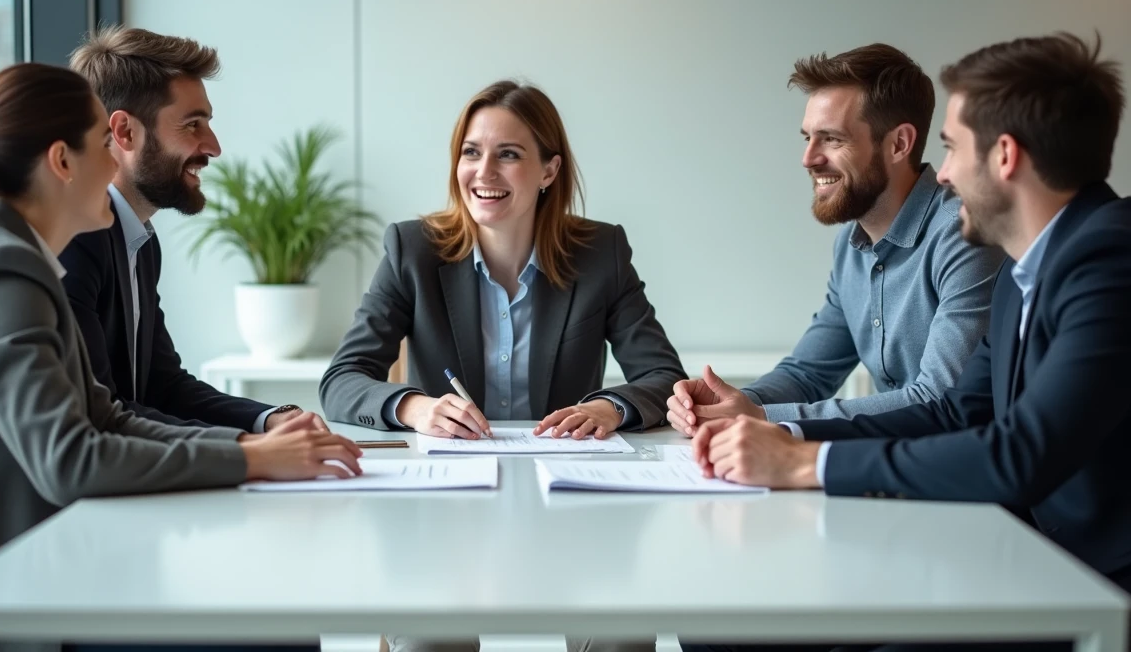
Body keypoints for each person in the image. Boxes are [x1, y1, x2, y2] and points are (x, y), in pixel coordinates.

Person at [688, 32, 1129, 652]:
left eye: (950, 148)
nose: (942, 171)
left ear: (1004, 156)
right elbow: (954, 411)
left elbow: (1020, 451)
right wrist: (774, 429)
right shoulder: (1025, 267)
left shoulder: (1109, 255)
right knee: (725, 634)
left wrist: (806, 461)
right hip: (1017, 551)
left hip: (1088, 576)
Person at [0, 63, 361, 652]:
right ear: (62, 161)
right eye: (104, 146)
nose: (115, 167)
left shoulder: (19, 258)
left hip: (38, 562)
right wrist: (252, 462)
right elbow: (70, 460)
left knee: (276, 622)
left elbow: (106, 416)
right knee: (273, 635)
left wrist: (252, 449)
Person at [321, 79, 683, 652]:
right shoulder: (412, 250)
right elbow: (342, 380)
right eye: (471, 152)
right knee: (427, 642)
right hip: (446, 509)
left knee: (621, 638)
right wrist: (414, 407)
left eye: (508, 154)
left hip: (570, 506)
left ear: (548, 171)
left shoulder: (601, 252)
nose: (483, 171)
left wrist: (608, 407)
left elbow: (663, 377)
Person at [668, 44, 1005, 436]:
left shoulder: (964, 236)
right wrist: (732, 404)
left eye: (831, 139)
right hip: (893, 469)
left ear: (899, 144)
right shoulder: (852, 245)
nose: (808, 158)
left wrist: (760, 419)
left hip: (967, 484)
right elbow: (810, 372)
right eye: (808, 137)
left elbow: (938, 399)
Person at [60, 27, 316, 433]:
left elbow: (164, 388)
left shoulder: (140, 243)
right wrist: (248, 448)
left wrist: (269, 421)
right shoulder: (73, 243)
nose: (214, 146)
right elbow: (101, 412)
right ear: (124, 131)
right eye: (193, 125)